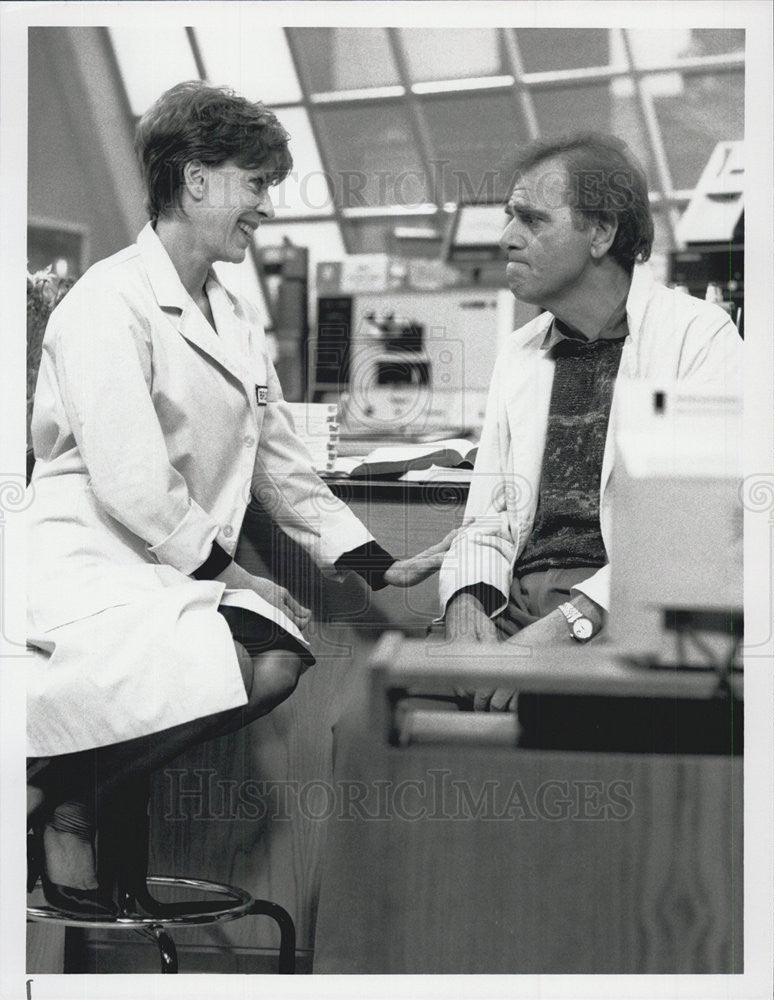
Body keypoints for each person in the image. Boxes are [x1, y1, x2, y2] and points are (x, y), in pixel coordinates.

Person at [26, 81, 453, 917]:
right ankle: (69, 799)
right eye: (255, 183)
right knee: (274, 653)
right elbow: (129, 480)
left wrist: (379, 563)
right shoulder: (104, 304)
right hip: (93, 560)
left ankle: (67, 791)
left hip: (166, 562)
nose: (266, 207)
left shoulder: (228, 315)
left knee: (278, 657)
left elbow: (280, 462)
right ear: (195, 181)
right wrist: (236, 576)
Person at [440, 132, 742, 711]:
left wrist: (566, 625)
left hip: (622, 616)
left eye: (530, 219)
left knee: (541, 731)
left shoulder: (699, 340)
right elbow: (487, 520)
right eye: (509, 217)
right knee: (363, 724)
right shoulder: (521, 351)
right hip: (513, 607)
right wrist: (465, 607)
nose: (506, 238)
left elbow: (692, 542)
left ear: (600, 233)